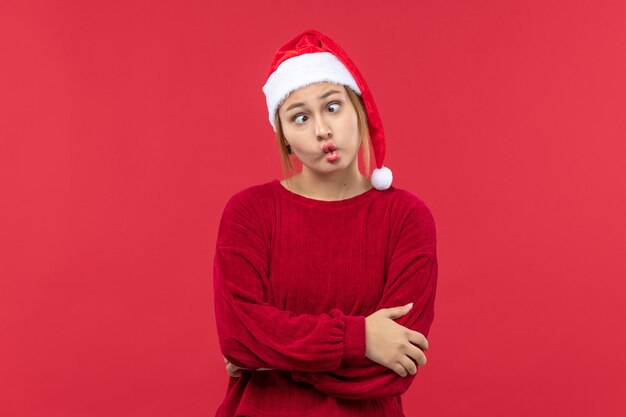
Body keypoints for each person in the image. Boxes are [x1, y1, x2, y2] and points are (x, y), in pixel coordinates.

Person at [213, 29, 438, 417]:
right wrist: (360, 338)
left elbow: (394, 370)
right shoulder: (249, 212)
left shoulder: (406, 218)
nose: (321, 130)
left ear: (360, 109)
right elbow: (237, 336)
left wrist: (268, 357)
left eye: (332, 107)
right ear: (284, 137)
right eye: (299, 117)